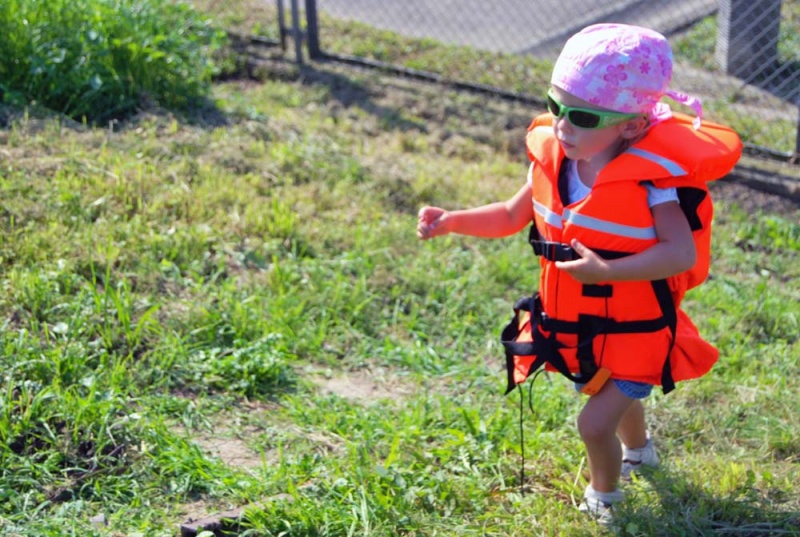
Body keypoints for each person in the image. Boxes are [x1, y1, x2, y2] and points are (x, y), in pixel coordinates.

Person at [417, 24, 741, 524]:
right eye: (556, 106)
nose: (563, 125)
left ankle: (604, 499)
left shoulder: (652, 184)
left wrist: (605, 270)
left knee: (593, 424)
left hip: (639, 335)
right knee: (607, 397)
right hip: (583, 331)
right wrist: (451, 221)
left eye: (583, 116)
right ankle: (641, 453)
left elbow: (678, 254)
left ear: (631, 126)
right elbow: (509, 215)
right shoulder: (556, 164)